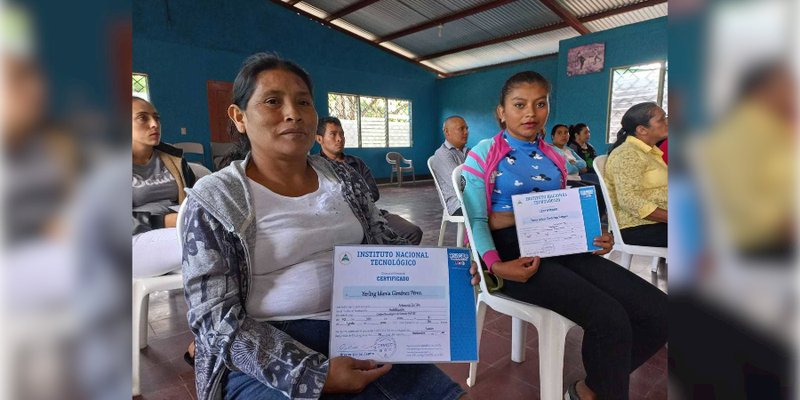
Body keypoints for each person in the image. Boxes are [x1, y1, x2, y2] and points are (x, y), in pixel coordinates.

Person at [181, 53, 472, 400]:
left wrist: (444, 274)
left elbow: (386, 243)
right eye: (273, 101)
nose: (293, 113)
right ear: (239, 116)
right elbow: (214, 320)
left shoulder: (343, 178)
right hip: (266, 351)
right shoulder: (216, 198)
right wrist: (312, 374)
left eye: (303, 101)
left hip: (364, 330)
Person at [461, 71, 667, 400]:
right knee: (609, 317)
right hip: (510, 256)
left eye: (539, 104)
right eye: (519, 105)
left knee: (659, 312)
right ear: (501, 111)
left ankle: (591, 389)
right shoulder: (484, 153)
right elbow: (476, 219)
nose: (530, 112)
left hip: (558, 247)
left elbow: (557, 209)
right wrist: (496, 267)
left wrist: (590, 235)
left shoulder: (555, 157)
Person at [316, 116, 423, 245]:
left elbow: (374, 192)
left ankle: (391, 264)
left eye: (342, 134)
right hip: (340, 221)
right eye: (333, 134)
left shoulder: (356, 163)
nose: (339, 139)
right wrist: (358, 195)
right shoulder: (316, 167)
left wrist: (350, 197)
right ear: (319, 139)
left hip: (372, 215)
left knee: (413, 232)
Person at [132, 96, 196, 278]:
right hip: (129, 239)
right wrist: (163, 221)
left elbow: (194, 197)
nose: (154, 124)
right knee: (205, 242)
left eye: (157, 118)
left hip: (178, 226)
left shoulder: (174, 161)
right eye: (143, 118)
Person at [604, 102, 668, 248]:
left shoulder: (650, 152)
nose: (667, 122)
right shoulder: (628, 154)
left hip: (657, 222)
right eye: (662, 119)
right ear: (642, 130)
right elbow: (628, 200)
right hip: (637, 226)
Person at [550, 124, 606, 216]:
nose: (564, 135)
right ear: (553, 136)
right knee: (594, 191)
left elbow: (583, 164)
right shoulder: (552, 150)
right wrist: (575, 165)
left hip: (577, 178)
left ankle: (598, 218)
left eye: (566, 133)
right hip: (566, 181)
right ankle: (593, 218)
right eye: (559, 133)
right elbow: (568, 169)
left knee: (600, 188)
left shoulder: (568, 150)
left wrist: (573, 162)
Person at [430, 115, 470, 216]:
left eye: (466, 128)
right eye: (461, 129)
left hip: (475, 200)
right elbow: (459, 184)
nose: (466, 132)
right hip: (458, 205)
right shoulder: (442, 154)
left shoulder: (469, 151)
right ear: (447, 132)